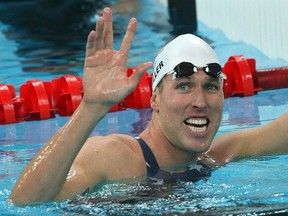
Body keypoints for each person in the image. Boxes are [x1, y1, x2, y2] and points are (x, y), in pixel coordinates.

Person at [9, 7, 288, 205]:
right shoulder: (115, 157)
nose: (200, 102)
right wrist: (91, 106)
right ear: (154, 99)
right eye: (184, 86)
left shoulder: (215, 157)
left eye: (211, 87)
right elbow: (26, 202)